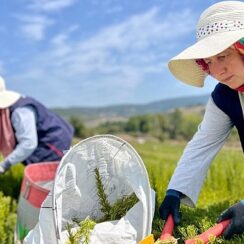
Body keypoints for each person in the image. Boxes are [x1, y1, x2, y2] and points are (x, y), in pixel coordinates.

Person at [159, 1, 244, 240]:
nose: (217, 72)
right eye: (209, 62)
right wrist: (175, 191)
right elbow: (202, 144)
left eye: (223, 56)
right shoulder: (225, 96)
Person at [0, 76, 74, 174]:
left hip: (52, 143)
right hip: (44, 141)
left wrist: (4, 165)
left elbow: (28, 143)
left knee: (50, 179)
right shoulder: (7, 112)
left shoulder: (20, 112)